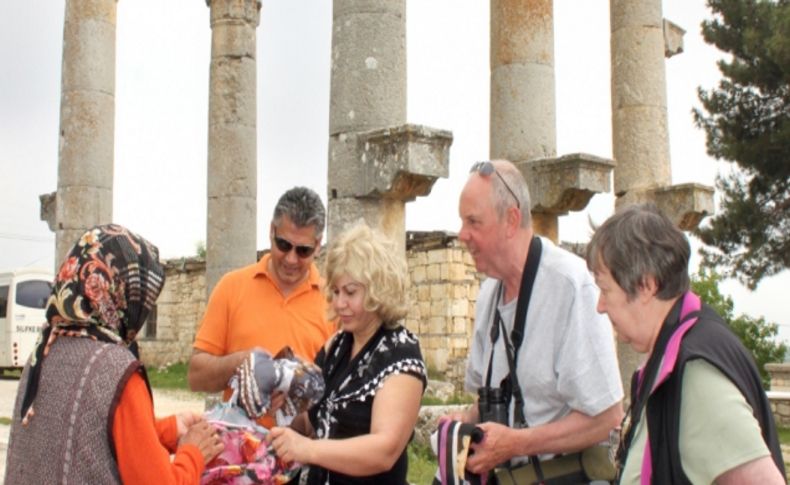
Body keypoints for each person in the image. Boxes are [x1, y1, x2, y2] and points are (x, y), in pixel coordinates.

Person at [4, 224, 223, 485]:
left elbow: (92, 435)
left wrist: (168, 430)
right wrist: (194, 453)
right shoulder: (118, 371)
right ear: (122, 293)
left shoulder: (43, 351)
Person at [586, 204, 785, 484]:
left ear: (646, 284)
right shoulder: (680, 349)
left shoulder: (696, 374)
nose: (600, 306)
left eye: (605, 289)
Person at [452, 159, 624, 477]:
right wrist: (463, 422)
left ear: (511, 220)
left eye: (473, 222)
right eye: (462, 222)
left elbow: (608, 419)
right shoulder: (489, 294)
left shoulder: (571, 286)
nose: (462, 235)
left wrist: (516, 444)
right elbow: (490, 401)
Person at [268, 223, 427, 484]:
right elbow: (313, 423)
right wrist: (283, 406)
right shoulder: (337, 345)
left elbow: (384, 450)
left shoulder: (401, 355)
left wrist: (308, 450)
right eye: (336, 291)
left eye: (351, 292)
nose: (340, 303)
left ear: (379, 290)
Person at [188, 187, 336, 427]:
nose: (291, 259)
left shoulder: (334, 302)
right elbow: (196, 377)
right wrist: (244, 362)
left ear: (318, 245)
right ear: (271, 231)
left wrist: (299, 391)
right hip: (240, 453)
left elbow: (342, 394)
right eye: (283, 245)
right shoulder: (232, 286)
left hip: (306, 456)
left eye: (303, 251)